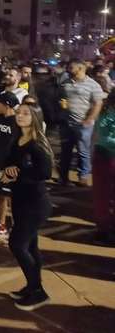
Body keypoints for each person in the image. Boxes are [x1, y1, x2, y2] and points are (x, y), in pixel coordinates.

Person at [1, 103, 54, 311]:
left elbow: (45, 173)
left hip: (35, 204)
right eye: (19, 112)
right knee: (31, 246)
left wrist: (18, 173)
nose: (20, 116)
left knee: (17, 244)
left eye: (26, 113)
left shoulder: (36, 144)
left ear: (35, 117)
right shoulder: (17, 139)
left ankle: (38, 291)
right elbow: (9, 162)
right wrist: (8, 170)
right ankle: (32, 287)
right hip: (21, 201)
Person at [59, 58, 106, 187]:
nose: (68, 69)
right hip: (66, 123)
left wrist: (90, 119)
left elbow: (98, 103)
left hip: (83, 124)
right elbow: (61, 97)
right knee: (65, 151)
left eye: (71, 67)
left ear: (80, 68)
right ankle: (63, 178)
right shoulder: (65, 82)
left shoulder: (93, 85)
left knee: (83, 151)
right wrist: (62, 105)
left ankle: (83, 176)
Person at [0, 91, 21, 242]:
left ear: (7, 105)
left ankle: (17, 227)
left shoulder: (18, 123)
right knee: (1, 195)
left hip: (10, 167)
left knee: (13, 197)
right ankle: (1, 226)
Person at [93, 89, 115, 244]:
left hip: (104, 156)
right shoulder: (106, 112)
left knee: (104, 196)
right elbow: (103, 138)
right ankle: (103, 230)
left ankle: (106, 229)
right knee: (103, 195)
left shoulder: (106, 110)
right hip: (105, 157)